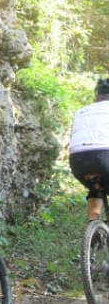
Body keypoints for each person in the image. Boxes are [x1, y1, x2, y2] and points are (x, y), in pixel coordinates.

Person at [69, 78, 109, 221]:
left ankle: (94, 227)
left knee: (95, 189)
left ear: (96, 95)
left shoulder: (81, 111)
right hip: (105, 155)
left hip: (78, 160)